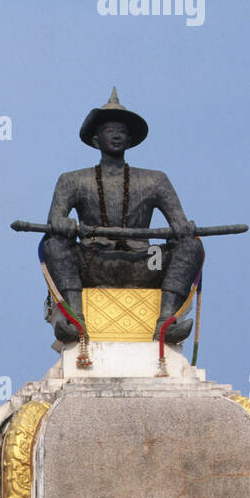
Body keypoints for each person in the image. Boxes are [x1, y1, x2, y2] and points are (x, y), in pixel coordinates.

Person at [42, 89, 203, 344]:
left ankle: (167, 322)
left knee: (191, 245)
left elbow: (179, 222)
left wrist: (182, 230)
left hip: (146, 261)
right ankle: (74, 320)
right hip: (92, 260)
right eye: (109, 130)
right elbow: (55, 221)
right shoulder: (72, 180)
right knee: (52, 244)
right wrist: (64, 225)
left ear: (130, 140)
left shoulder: (155, 179)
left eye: (122, 131)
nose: (117, 135)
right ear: (96, 140)